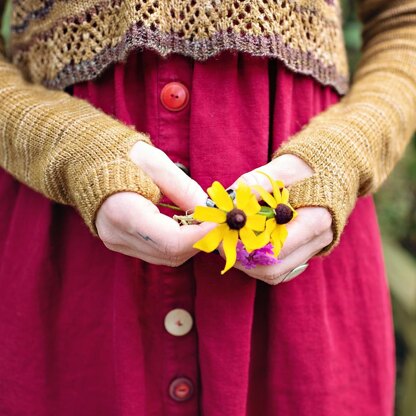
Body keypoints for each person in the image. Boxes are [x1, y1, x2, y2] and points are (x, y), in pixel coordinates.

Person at [0, 0, 414, 415]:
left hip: (304, 282)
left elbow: (405, 21)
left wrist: (346, 152)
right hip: (74, 275)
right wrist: (66, 145)